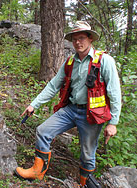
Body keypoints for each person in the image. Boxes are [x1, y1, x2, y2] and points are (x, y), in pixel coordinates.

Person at [14, 21, 121, 187]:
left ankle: (85, 184)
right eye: (74, 39)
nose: (78, 42)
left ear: (90, 38)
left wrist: (113, 122)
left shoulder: (104, 61)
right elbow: (53, 86)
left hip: (92, 115)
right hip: (71, 110)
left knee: (87, 154)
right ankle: (37, 172)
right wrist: (34, 104)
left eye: (81, 38)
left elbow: (114, 92)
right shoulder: (70, 62)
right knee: (43, 131)